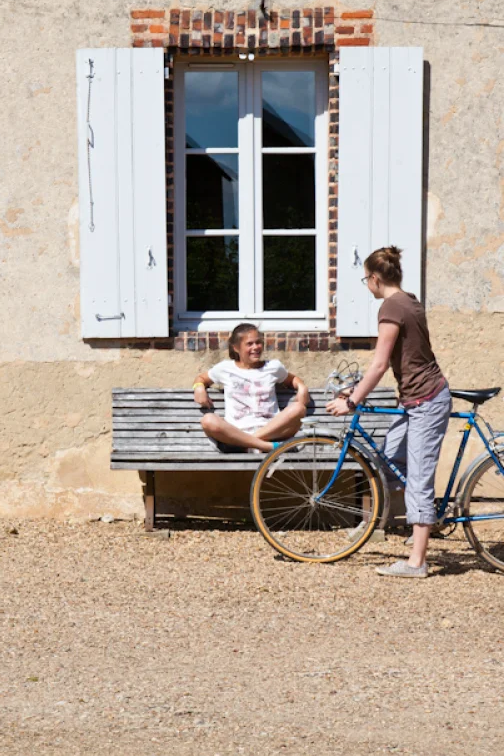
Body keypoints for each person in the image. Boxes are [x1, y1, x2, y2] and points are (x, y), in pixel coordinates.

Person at [326, 246, 451, 579]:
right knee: (389, 458)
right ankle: (424, 521)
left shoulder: (392, 307)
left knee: (419, 480)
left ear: (376, 278)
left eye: (366, 279)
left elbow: (380, 363)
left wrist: (351, 401)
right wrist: (355, 388)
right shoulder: (409, 299)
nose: (367, 285)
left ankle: (417, 562)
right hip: (415, 399)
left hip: (425, 400)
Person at [192, 323, 310, 453]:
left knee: (299, 408)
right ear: (236, 348)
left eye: (258, 342)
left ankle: (247, 444)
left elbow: (292, 379)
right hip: (236, 431)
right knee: (208, 420)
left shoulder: (273, 367)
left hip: (270, 433)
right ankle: (267, 448)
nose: (256, 347)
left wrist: (302, 387)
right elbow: (202, 378)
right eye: (249, 344)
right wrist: (199, 388)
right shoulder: (225, 368)